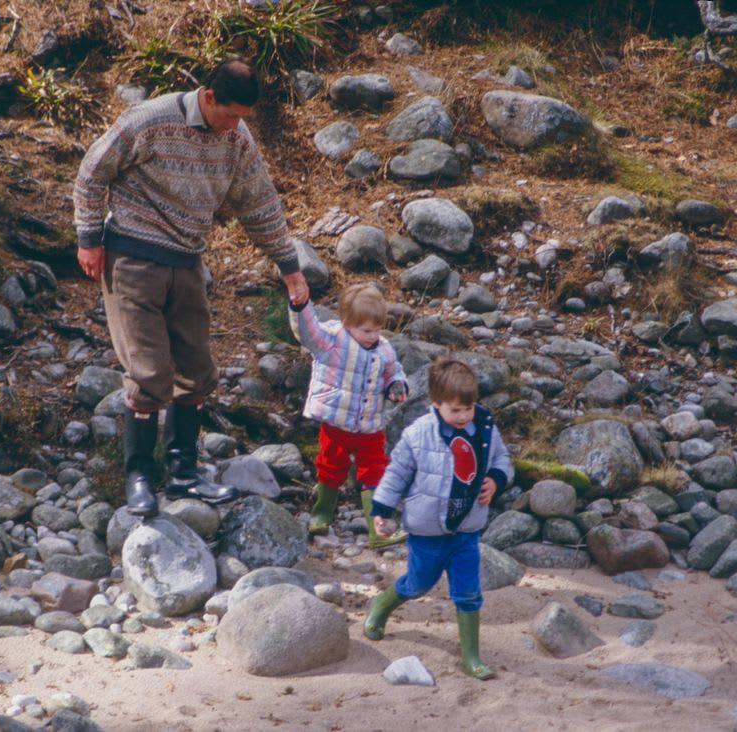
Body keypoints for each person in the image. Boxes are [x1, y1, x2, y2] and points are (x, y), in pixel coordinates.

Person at [73, 58, 309, 518]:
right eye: (230, 114)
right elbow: (91, 172)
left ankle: (183, 474)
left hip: (187, 260)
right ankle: (139, 475)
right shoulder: (149, 120)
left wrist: (288, 265)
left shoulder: (236, 137)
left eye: (243, 117)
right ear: (208, 97)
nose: (235, 125)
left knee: (198, 371)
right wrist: (88, 238)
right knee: (148, 374)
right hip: (132, 256)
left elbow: (259, 201)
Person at [363, 357, 513, 680]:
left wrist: (497, 478)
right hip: (427, 530)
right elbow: (397, 473)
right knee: (418, 584)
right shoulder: (419, 433)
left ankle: (470, 657)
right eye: (454, 410)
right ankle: (383, 604)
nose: (463, 416)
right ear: (436, 405)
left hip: (466, 529)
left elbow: (501, 457)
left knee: (468, 591)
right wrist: (381, 509)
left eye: (468, 408)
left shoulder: (484, 429)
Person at [289, 283, 408, 548]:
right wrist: (301, 306)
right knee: (330, 465)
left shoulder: (384, 349)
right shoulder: (331, 340)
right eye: (366, 330)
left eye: (377, 329)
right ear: (346, 323)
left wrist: (396, 386)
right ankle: (321, 513)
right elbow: (307, 332)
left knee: (375, 472)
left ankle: (378, 530)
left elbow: (394, 371)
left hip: (370, 426)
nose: (373, 335)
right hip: (336, 423)